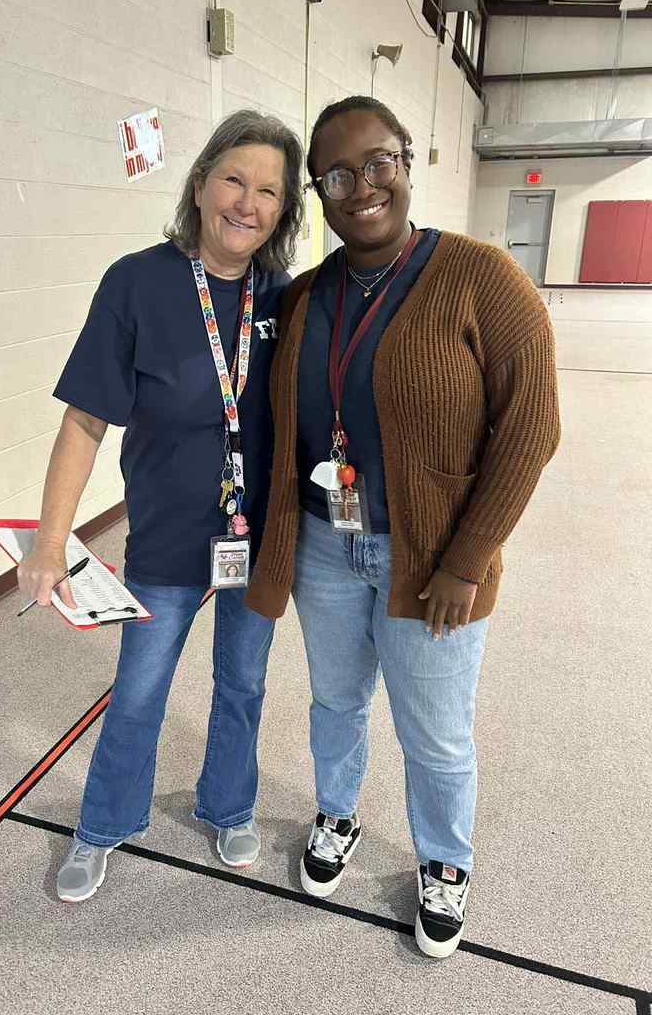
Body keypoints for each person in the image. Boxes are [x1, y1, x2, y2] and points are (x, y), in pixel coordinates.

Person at [244, 96, 560, 958]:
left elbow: (531, 429)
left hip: (433, 560)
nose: (362, 186)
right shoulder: (306, 297)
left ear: (408, 161)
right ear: (320, 191)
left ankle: (446, 862)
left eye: (378, 161)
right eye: (337, 175)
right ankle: (338, 814)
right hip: (325, 545)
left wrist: (467, 561)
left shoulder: (484, 277)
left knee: (435, 729)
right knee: (336, 702)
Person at [18, 110, 303, 902]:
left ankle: (228, 805)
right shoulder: (136, 282)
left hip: (256, 542)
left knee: (243, 685)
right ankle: (102, 825)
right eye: (235, 180)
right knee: (140, 691)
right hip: (168, 538)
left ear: (283, 212)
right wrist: (51, 540)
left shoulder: (288, 297)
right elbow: (84, 419)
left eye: (269, 192)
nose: (247, 203)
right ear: (202, 182)